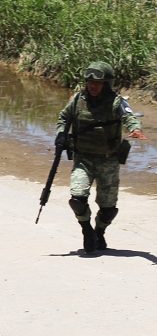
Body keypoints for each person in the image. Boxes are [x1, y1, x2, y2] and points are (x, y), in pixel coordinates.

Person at [55, 61, 147, 253]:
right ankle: (87, 230)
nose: (93, 86)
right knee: (77, 198)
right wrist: (61, 134)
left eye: (98, 83)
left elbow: (129, 117)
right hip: (83, 159)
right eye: (90, 82)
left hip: (108, 160)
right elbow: (64, 118)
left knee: (109, 208)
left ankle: (100, 231)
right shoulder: (77, 100)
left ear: (106, 84)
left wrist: (135, 129)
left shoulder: (116, 101)